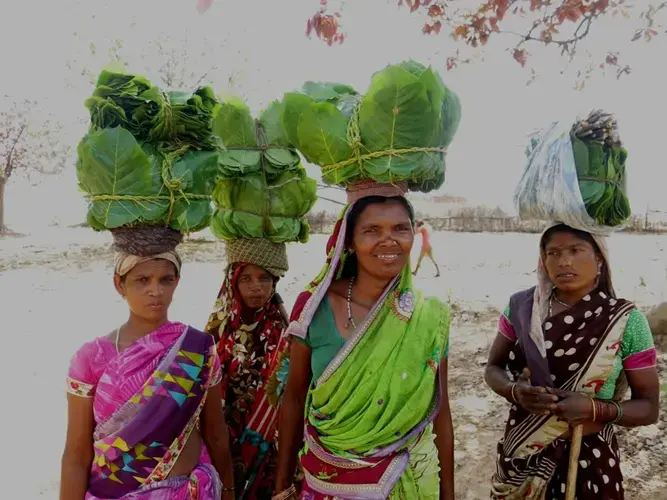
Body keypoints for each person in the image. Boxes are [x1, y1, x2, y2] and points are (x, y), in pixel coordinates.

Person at [273, 182, 455, 500]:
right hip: (327, 481)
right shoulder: (314, 306)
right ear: (351, 242)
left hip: (409, 480)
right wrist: (282, 486)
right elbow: (294, 398)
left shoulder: (430, 315)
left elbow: (440, 411)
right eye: (372, 230)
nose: (389, 240)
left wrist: (449, 495)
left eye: (400, 228)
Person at [485, 223, 660, 499]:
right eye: (553, 253)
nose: (564, 261)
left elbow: (649, 408)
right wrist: (514, 391)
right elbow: (493, 368)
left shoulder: (625, 321)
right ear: (543, 260)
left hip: (590, 460)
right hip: (523, 451)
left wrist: (594, 409)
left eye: (576, 250)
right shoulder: (522, 308)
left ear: (599, 257)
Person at [60, 250, 235, 500]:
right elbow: (77, 455)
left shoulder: (198, 349)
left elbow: (216, 433)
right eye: (142, 280)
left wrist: (228, 490)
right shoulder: (91, 358)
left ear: (177, 281)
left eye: (166, 279)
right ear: (119, 284)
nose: (156, 290)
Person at [204, 239, 291, 499]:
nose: (256, 287)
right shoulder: (215, 337)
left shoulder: (288, 335)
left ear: (274, 282)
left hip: (273, 459)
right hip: (224, 452)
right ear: (232, 283)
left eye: (264, 278)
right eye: (246, 279)